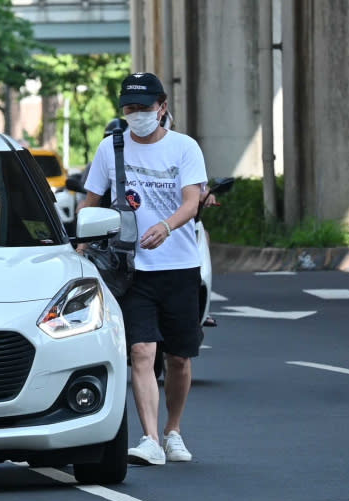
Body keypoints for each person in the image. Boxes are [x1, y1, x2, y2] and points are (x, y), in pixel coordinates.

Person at [77, 72, 209, 466]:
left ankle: (173, 431)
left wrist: (166, 226)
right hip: (130, 270)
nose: (137, 115)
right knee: (141, 351)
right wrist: (81, 246)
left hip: (180, 265)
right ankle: (150, 438)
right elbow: (91, 201)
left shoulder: (185, 148)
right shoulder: (109, 149)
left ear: (162, 108)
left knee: (179, 358)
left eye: (144, 107)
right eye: (130, 108)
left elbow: (192, 201)